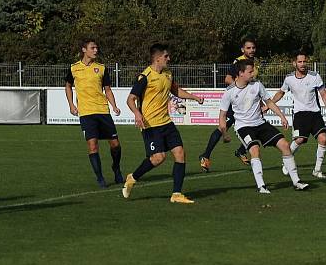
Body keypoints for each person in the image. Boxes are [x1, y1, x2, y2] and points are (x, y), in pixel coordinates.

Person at [122, 43, 205, 204]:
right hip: (150, 124)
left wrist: (193, 97)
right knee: (158, 158)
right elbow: (130, 99)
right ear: (157, 58)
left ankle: (176, 194)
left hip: (167, 122)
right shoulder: (145, 77)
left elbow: (175, 90)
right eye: (166, 56)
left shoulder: (167, 73)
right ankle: (132, 177)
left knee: (180, 153)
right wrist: (137, 113)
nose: (169, 58)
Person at [219, 60, 308, 193]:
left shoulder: (257, 85)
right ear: (241, 73)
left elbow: (269, 103)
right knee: (255, 150)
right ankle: (261, 186)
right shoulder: (229, 92)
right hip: (244, 127)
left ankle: (297, 181)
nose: (253, 73)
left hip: (260, 123)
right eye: (250, 71)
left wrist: (282, 117)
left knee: (284, 145)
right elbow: (222, 116)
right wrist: (225, 133)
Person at [65, 37, 123, 187]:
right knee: (92, 145)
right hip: (86, 113)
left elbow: (108, 89)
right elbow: (68, 86)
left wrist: (114, 106)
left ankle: (116, 168)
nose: (96, 50)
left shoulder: (101, 68)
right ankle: (100, 178)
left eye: (96, 48)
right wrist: (71, 105)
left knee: (115, 144)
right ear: (84, 50)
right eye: (93, 48)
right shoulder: (73, 68)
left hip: (102, 111)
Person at [272, 52, 326, 179]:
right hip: (299, 114)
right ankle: (286, 160)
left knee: (323, 139)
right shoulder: (289, 78)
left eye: (304, 61)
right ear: (294, 63)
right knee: (299, 140)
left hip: (315, 114)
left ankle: (317, 170)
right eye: (300, 62)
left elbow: (323, 94)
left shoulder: (314, 76)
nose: (302, 64)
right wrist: (268, 105)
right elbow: (281, 93)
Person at [198, 36, 258, 172]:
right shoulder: (239, 62)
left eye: (253, 47)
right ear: (243, 49)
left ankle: (241, 151)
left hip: (247, 103)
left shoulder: (252, 62)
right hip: (236, 101)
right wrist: (241, 88)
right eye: (248, 48)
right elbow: (228, 79)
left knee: (257, 126)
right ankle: (205, 156)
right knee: (223, 127)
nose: (252, 50)